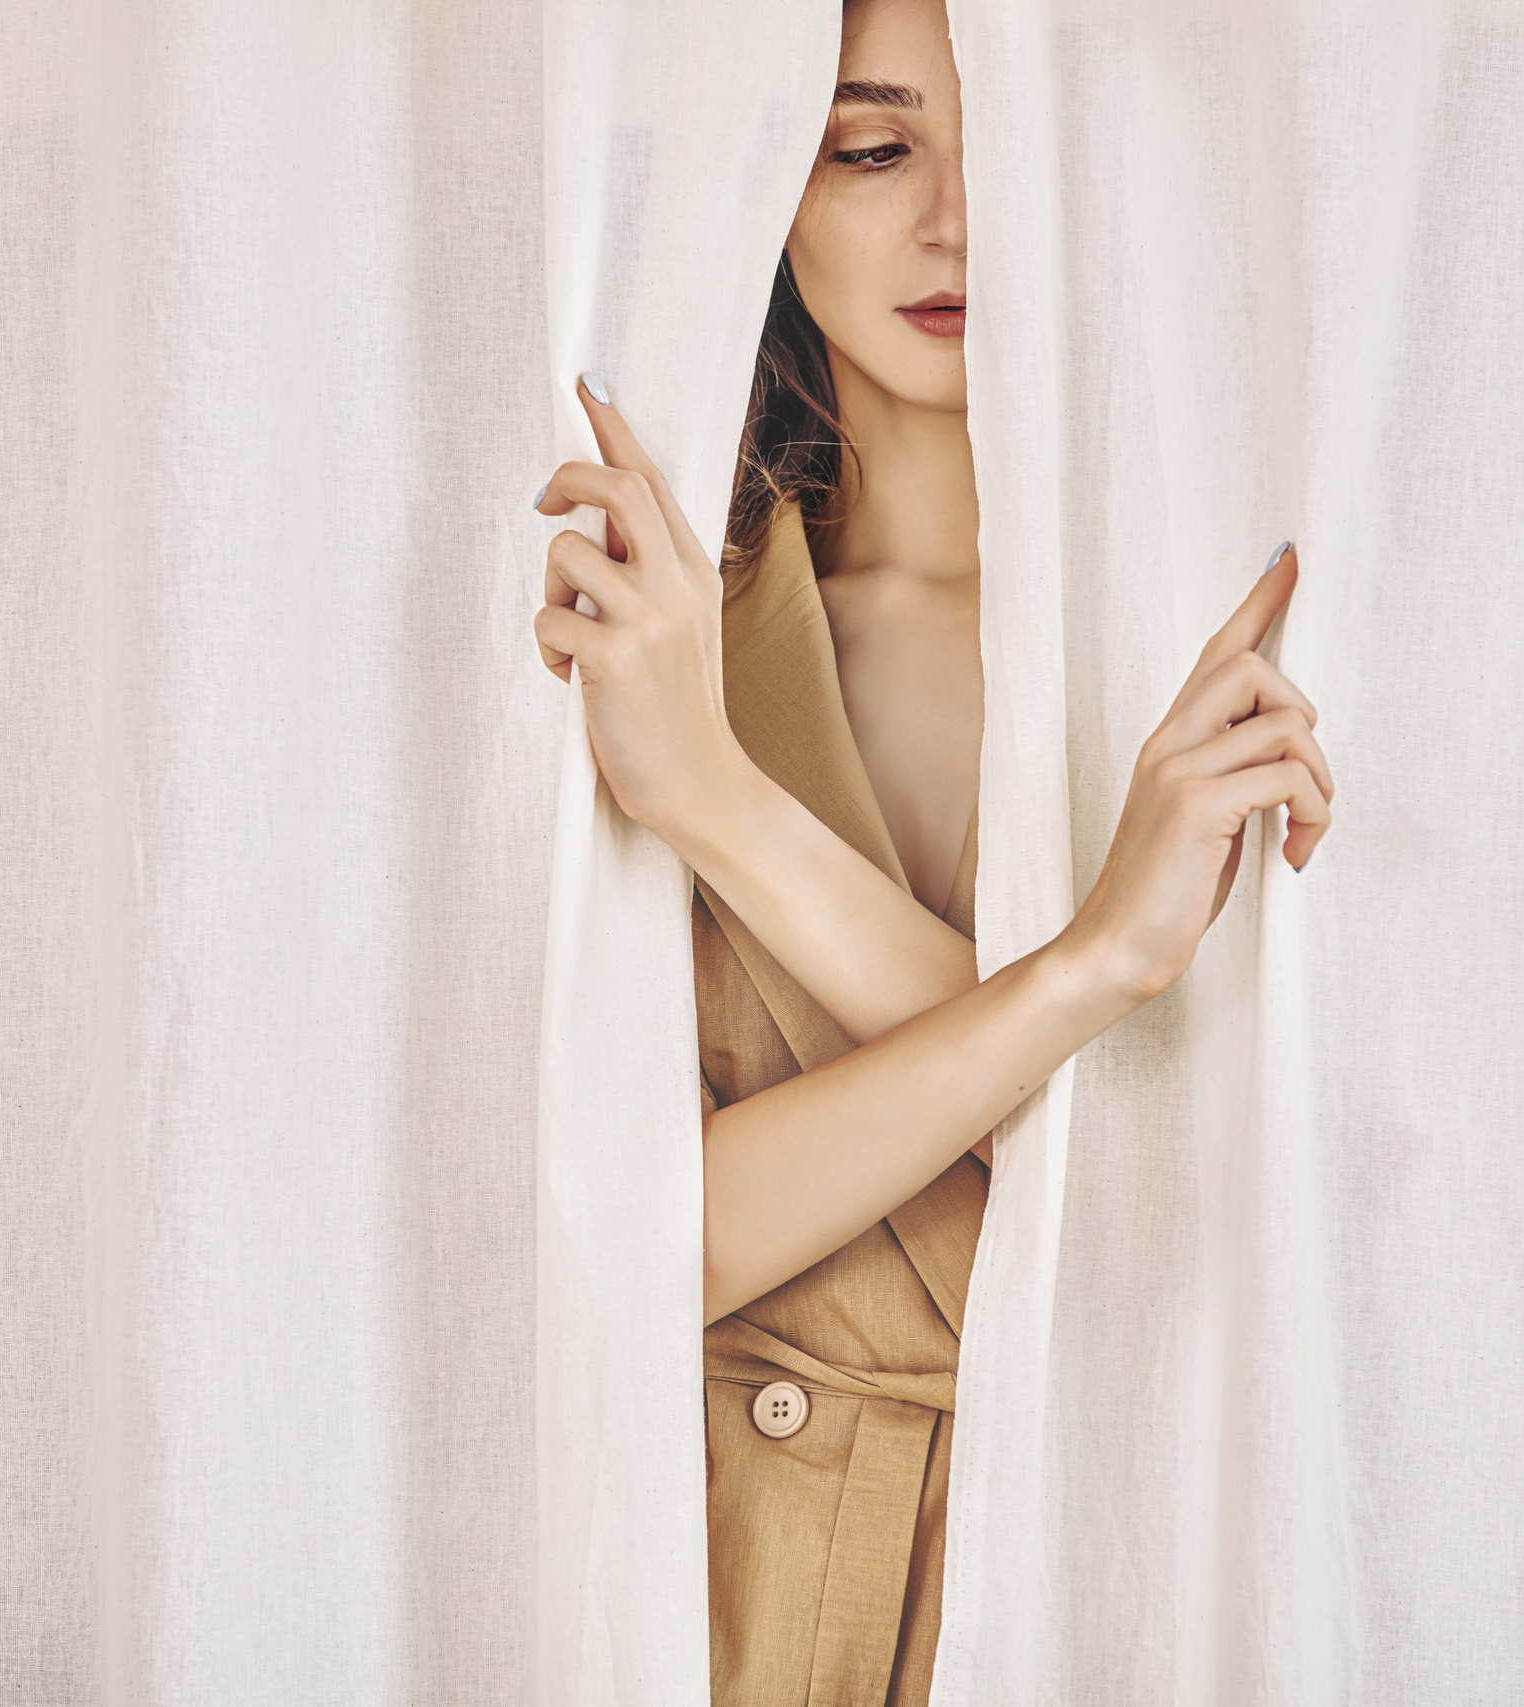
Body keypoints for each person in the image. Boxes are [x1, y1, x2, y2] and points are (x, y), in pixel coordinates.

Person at [526, 0, 1334, 1697]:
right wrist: (1090, 972)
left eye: (1009, 143)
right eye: (877, 149)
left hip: (1084, 1573)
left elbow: (1182, 1234)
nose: (959, 221)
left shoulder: (1212, 659)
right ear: (768, 175)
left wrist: (715, 804)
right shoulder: (680, 636)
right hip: (733, 1583)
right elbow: (644, 1227)